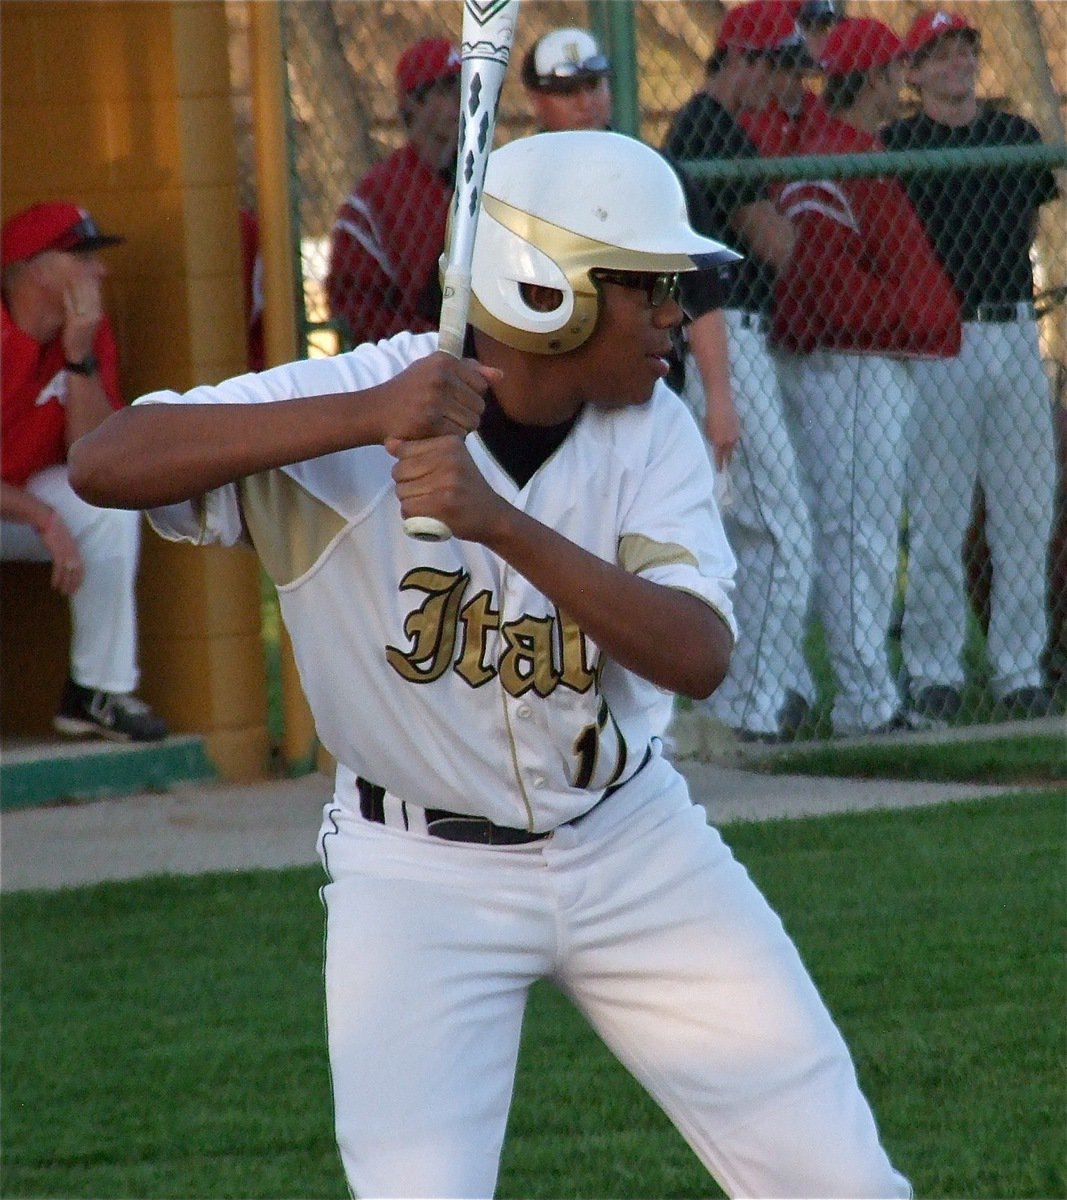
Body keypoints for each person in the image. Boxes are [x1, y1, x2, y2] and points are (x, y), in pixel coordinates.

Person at [69, 131, 910, 1200]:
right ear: (540, 289)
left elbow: (696, 655)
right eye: (647, 288)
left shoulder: (650, 430)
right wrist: (365, 418)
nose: (674, 315)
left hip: (630, 842)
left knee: (836, 1180)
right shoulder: (370, 393)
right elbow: (106, 463)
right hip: (416, 875)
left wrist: (495, 522)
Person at [771, 17, 962, 736]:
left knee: (856, 535)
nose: (899, 84)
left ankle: (851, 692)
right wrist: (914, 317)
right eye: (892, 72)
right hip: (849, 368)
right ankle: (863, 702)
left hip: (872, 364)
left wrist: (916, 318)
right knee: (857, 536)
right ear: (872, 80)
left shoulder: (854, 151)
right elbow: (827, 290)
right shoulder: (832, 156)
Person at [881, 9, 1061, 724]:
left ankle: (1019, 669)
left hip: (1015, 330)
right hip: (938, 343)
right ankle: (932, 669)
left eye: (964, 49)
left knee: (1024, 509)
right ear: (913, 72)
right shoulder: (896, 145)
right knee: (939, 513)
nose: (955, 62)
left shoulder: (1010, 134)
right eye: (939, 53)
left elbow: (1036, 214)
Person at [663, 0, 816, 743]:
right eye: (774, 64)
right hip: (728, 343)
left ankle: (737, 703)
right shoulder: (709, 126)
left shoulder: (713, 125)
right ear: (741, 60)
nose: (779, 81)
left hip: (726, 344)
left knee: (744, 531)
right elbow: (779, 243)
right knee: (782, 532)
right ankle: (749, 709)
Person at [0, 202, 167, 742]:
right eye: (82, 256)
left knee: (105, 506)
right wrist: (44, 518)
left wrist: (77, 357)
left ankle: (96, 691)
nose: (101, 271)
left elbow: (95, 458)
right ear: (34, 269)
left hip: (19, 499)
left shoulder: (88, 333)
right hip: (21, 504)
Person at [326, 37, 461, 348]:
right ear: (413, 103)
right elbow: (357, 311)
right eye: (446, 89)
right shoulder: (379, 194)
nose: (460, 100)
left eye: (464, 88)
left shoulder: (484, 175)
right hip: (406, 357)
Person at [520, 26, 613, 133]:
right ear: (535, 101)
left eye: (593, 86)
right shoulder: (524, 150)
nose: (585, 104)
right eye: (567, 91)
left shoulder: (631, 149)